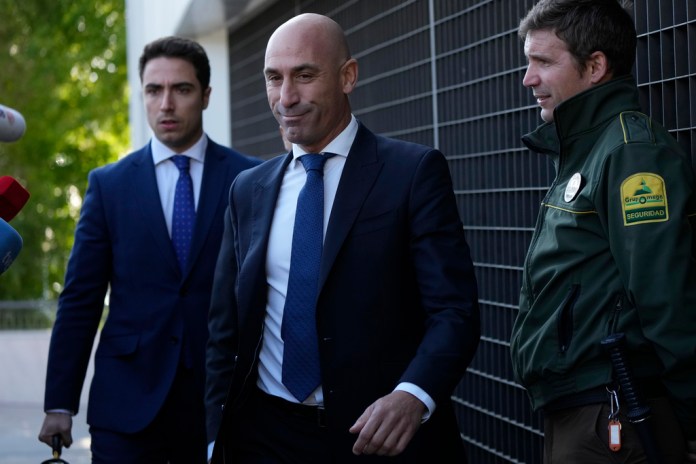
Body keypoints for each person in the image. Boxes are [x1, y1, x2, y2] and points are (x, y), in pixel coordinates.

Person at [205, 12, 480, 464]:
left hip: (378, 440)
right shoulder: (247, 190)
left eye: (305, 75)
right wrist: (217, 436)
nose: (286, 98)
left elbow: (454, 311)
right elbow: (225, 330)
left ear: (348, 76)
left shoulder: (411, 173)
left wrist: (413, 395)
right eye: (274, 78)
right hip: (264, 438)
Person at [38, 36, 259, 463]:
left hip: (223, 403)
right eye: (154, 90)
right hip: (127, 406)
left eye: (182, 89)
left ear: (206, 95)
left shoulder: (249, 178)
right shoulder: (109, 185)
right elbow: (80, 298)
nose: (166, 104)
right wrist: (59, 403)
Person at [509, 1, 696, 463]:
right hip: (580, 411)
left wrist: (692, 419)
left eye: (544, 62)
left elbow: (666, 297)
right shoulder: (587, 149)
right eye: (528, 62)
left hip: (613, 413)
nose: (528, 79)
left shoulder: (632, 153)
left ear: (595, 66)